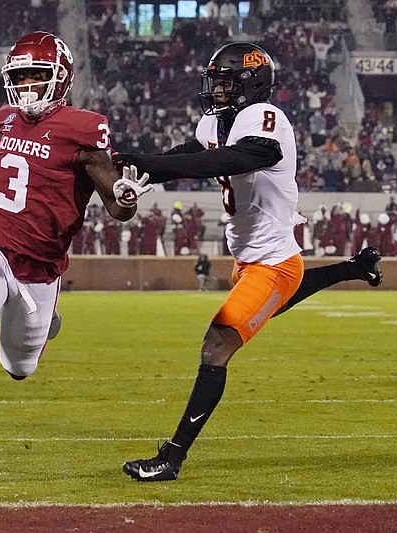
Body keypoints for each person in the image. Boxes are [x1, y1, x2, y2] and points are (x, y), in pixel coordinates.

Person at [112, 42, 383, 482]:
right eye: (214, 80)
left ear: (250, 83)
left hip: (273, 264)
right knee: (277, 301)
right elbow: (190, 152)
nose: (215, 89)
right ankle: (355, 268)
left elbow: (234, 157)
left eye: (225, 81)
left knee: (217, 344)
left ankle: (171, 458)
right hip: (254, 262)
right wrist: (138, 168)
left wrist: (153, 165)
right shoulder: (216, 121)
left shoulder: (264, 119)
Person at [0, 31, 151, 482]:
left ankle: (44, 318)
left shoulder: (83, 129)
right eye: (21, 77)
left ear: (62, 78)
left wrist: (127, 197)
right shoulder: (6, 120)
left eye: (38, 75)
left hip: (41, 265)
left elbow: (115, 205)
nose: (29, 86)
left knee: (20, 367)